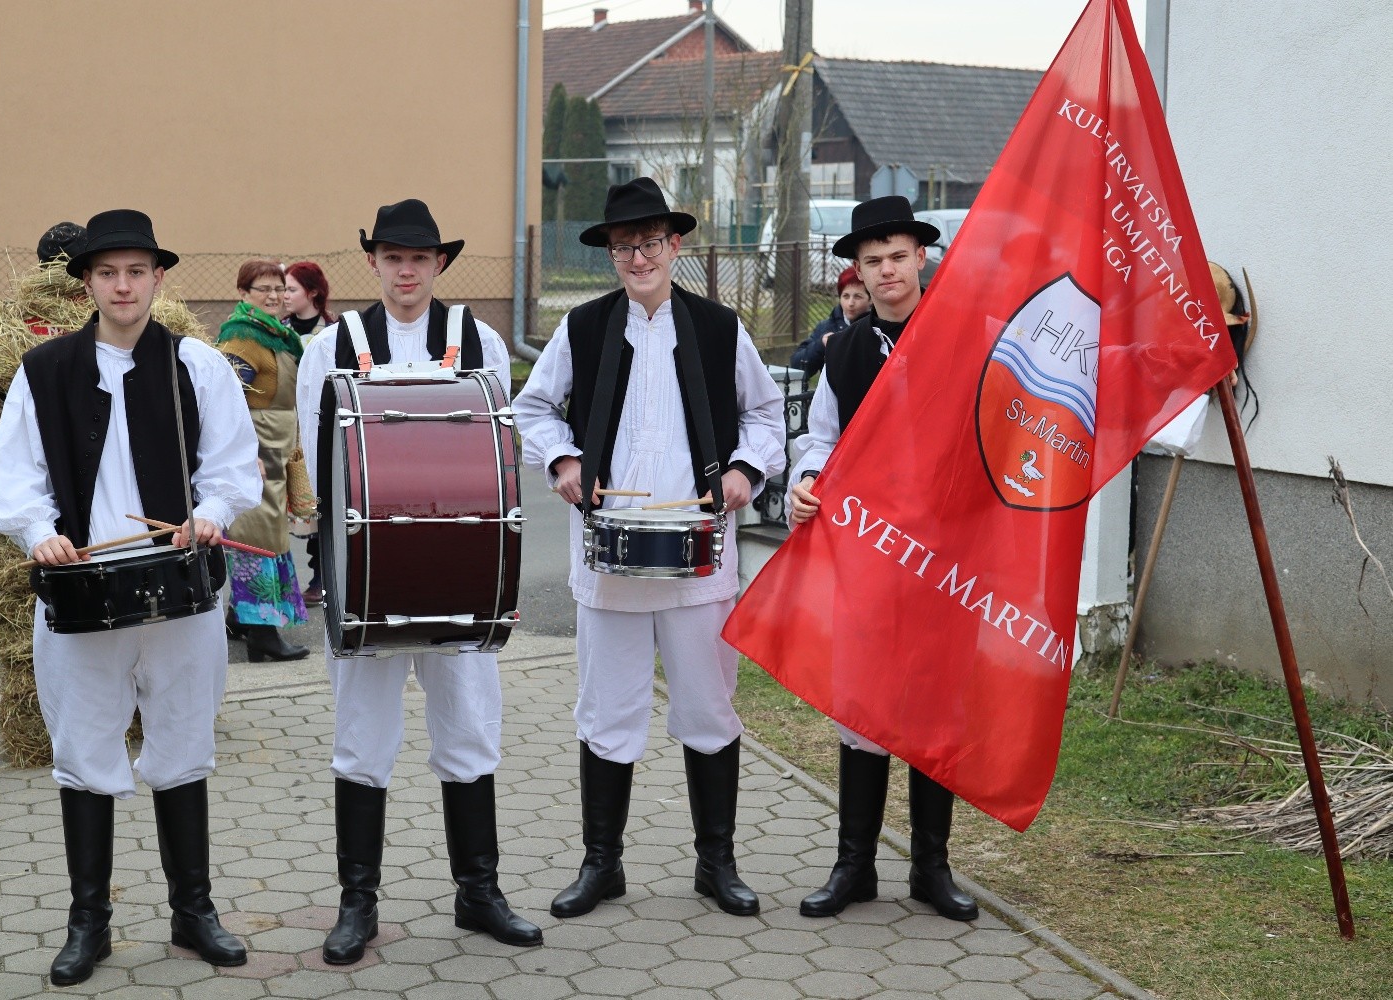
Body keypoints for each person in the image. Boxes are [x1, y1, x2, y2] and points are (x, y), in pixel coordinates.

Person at [0, 210, 263, 984]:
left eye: (136, 271)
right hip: (82, 593)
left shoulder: (196, 366)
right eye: (107, 273)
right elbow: (17, 475)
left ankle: (193, 912)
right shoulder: (44, 370)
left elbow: (233, 466)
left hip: (179, 589)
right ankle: (89, 924)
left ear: (158, 278)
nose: (123, 286)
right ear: (86, 283)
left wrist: (209, 515)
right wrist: (38, 532)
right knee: (83, 748)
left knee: (183, 740)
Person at [512, 177, 786, 919]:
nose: (639, 257)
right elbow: (532, 408)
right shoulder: (583, 328)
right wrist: (563, 459)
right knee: (607, 710)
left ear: (676, 244)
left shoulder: (720, 328)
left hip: (700, 555)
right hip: (610, 558)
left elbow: (766, 414)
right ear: (610, 253)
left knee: (709, 706)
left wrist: (743, 469)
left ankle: (716, 862)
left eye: (652, 242)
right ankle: (602, 864)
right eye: (625, 246)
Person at [296, 199, 540, 961]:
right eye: (394, 257)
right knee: (361, 741)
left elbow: (499, 453)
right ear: (374, 261)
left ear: (439, 264)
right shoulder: (332, 345)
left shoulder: (480, 339)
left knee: (469, 731)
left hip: (459, 571)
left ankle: (479, 893)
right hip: (367, 578)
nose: (406, 271)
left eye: (420, 258)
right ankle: (357, 904)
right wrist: (340, 568)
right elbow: (321, 460)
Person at [786, 195, 978, 923]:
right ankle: (854, 866)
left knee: (935, 705)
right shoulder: (846, 351)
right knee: (863, 704)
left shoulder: (965, 339)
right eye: (873, 261)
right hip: (870, 550)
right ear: (858, 272)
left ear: (921, 257)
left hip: (947, 555)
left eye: (898, 256)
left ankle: (932, 868)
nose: (888, 270)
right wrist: (808, 481)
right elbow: (822, 440)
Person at [216, 260, 310, 661]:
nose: (274, 296)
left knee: (270, 533)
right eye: (263, 289)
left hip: (277, 446)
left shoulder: (277, 334)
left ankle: (240, 619)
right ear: (243, 293)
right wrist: (244, 453)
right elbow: (226, 401)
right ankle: (262, 635)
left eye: (279, 288)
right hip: (256, 450)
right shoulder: (242, 337)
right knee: (255, 536)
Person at [282, 260, 338, 606]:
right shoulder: (279, 331)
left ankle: (321, 577)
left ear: (313, 292)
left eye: (291, 289)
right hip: (287, 427)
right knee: (292, 506)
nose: (284, 295)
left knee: (319, 500)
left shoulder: (332, 333)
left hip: (318, 425)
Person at [788, 265, 871, 377]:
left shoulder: (878, 327)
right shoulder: (826, 327)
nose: (850, 303)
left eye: (858, 296)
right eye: (845, 296)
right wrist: (821, 345)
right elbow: (797, 367)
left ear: (871, 299)